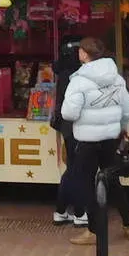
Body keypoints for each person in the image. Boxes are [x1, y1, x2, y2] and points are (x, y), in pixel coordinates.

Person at [59, 36, 129, 247]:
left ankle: (94, 230)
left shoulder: (79, 81)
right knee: (112, 180)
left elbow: (69, 113)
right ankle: (128, 224)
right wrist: (121, 128)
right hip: (111, 137)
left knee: (84, 183)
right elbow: (127, 109)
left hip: (87, 140)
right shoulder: (116, 78)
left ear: (84, 54)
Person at [50, 40, 87, 228]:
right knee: (77, 168)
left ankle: (61, 210)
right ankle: (79, 212)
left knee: (72, 167)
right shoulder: (75, 75)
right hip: (76, 125)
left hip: (66, 125)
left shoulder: (63, 72)